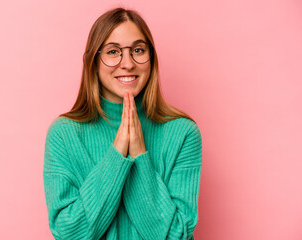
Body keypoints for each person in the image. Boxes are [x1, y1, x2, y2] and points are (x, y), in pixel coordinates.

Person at [43, 7, 202, 240]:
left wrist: (139, 155)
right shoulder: (64, 135)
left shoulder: (183, 133)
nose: (127, 63)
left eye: (138, 50)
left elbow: (176, 236)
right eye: (113, 51)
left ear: (151, 58)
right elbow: (69, 234)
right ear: (93, 61)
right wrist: (117, 155)